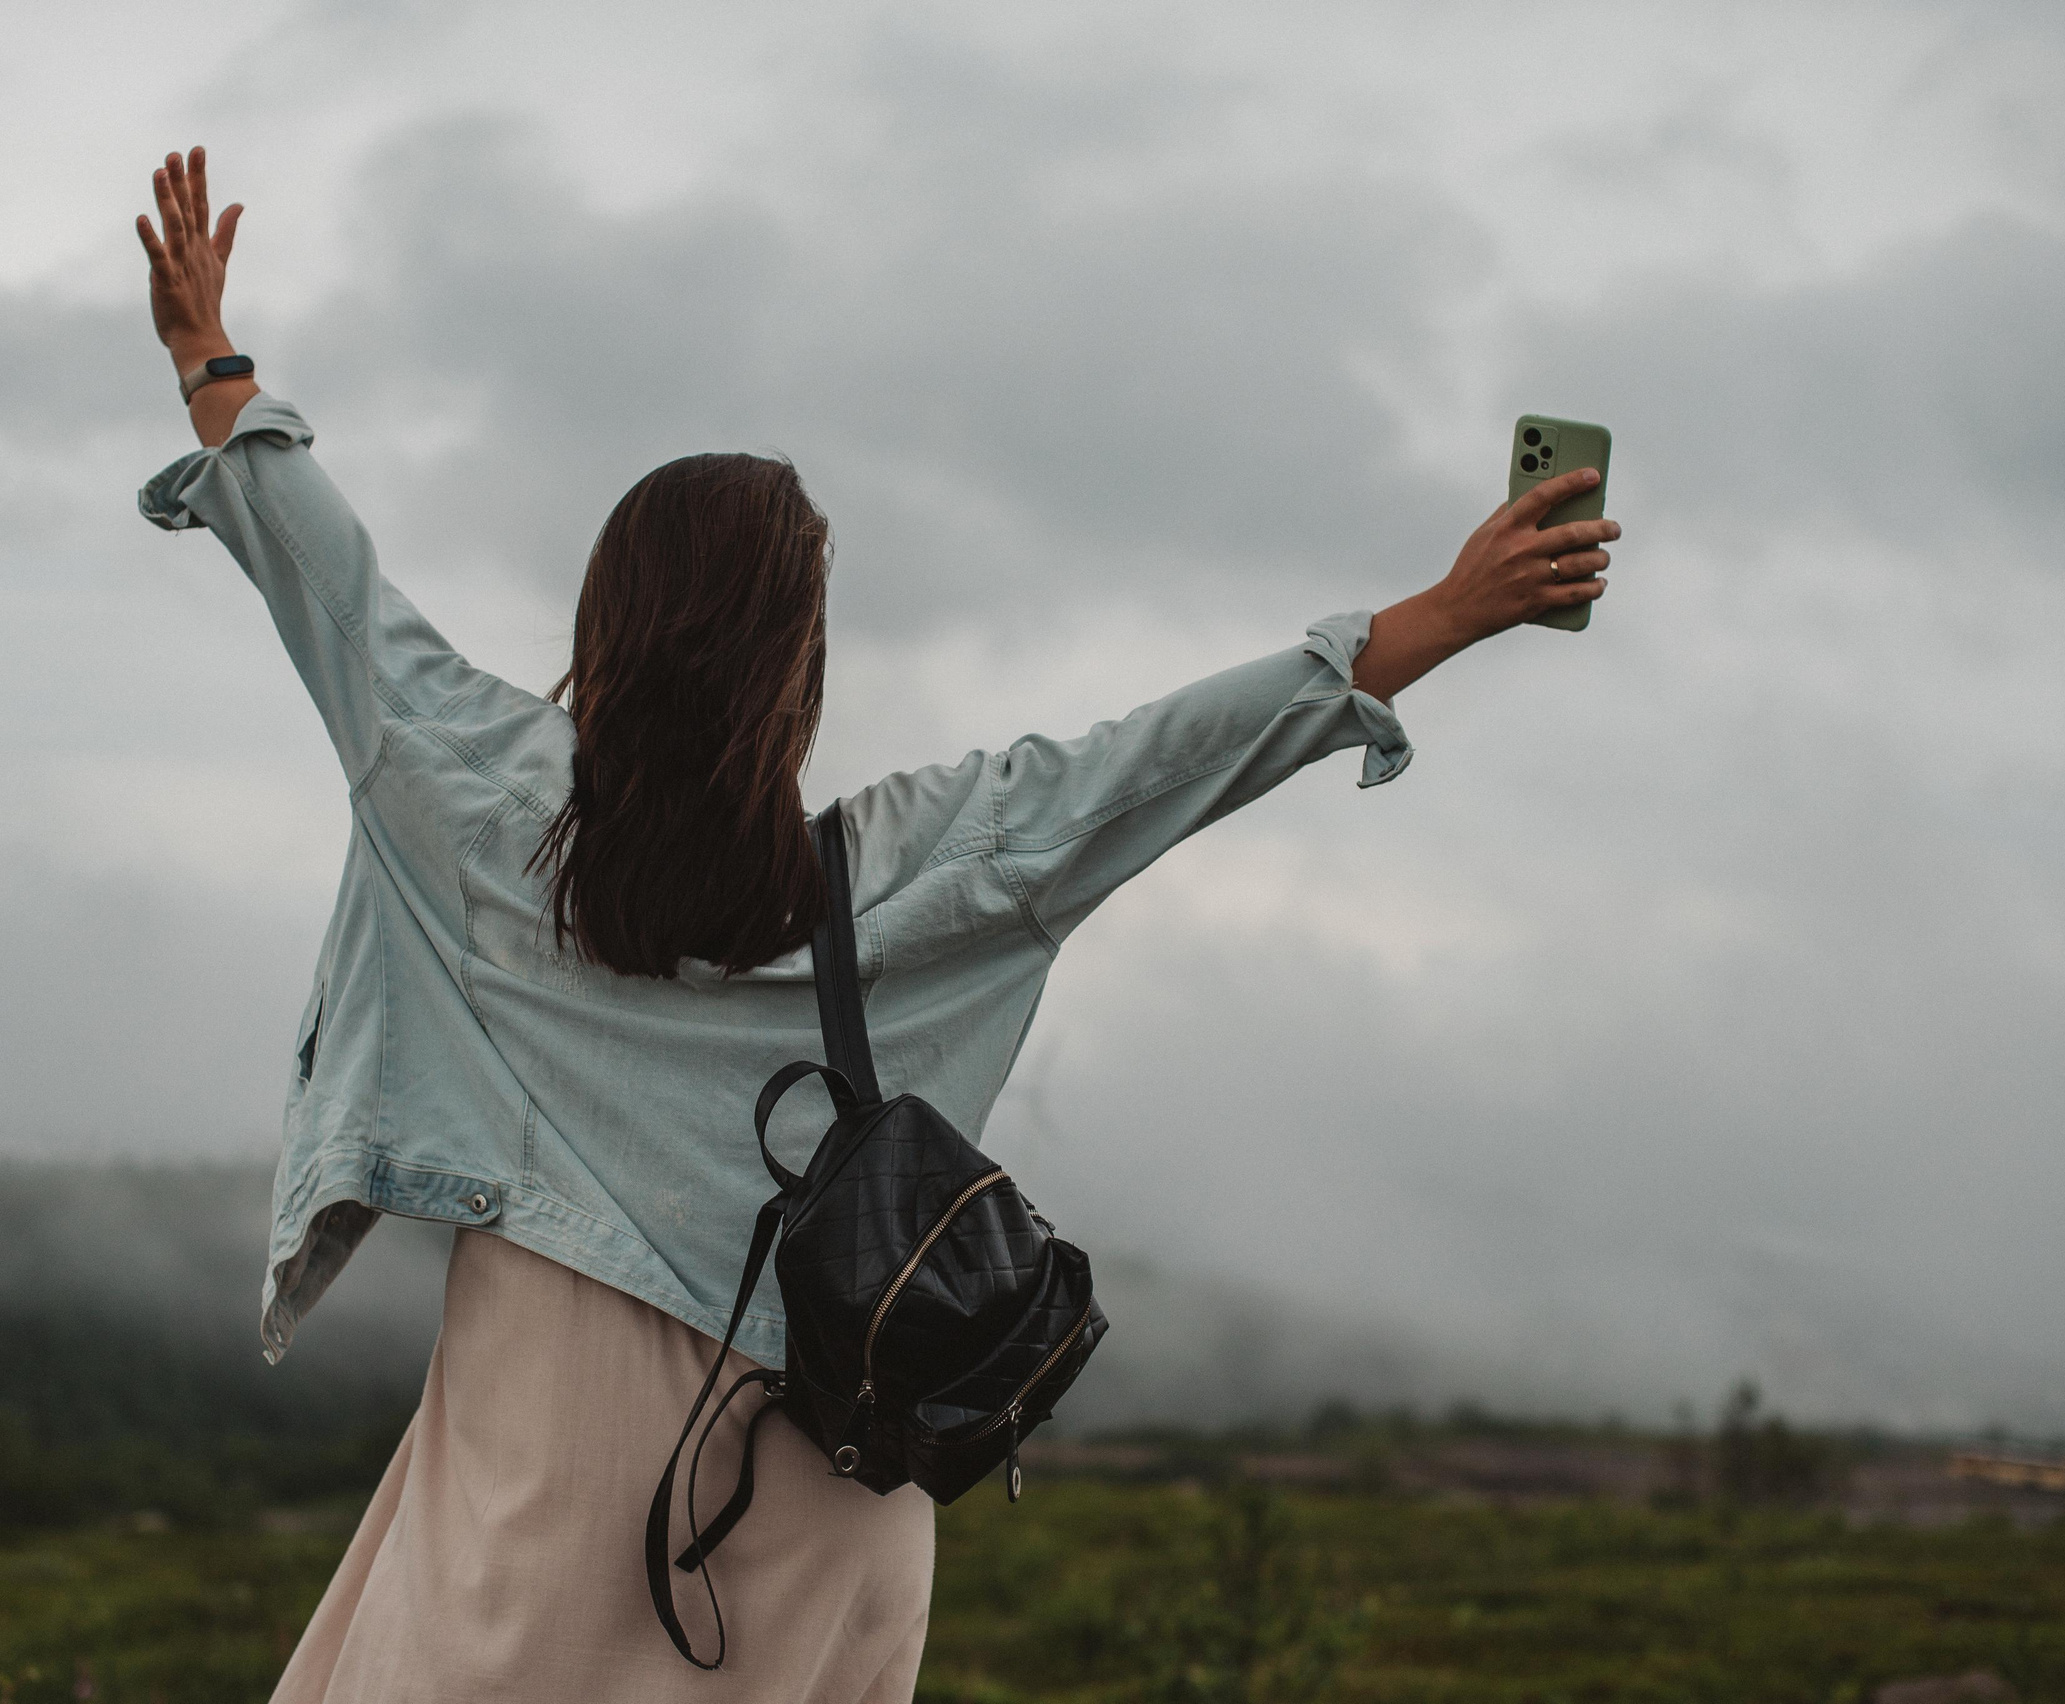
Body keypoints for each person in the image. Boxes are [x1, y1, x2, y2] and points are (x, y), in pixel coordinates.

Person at [133, 145, 1616, 1701]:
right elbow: (1162, 762)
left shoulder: (475, 795)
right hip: (819, 1471)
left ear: (606, 626)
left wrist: (209, 361)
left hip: (544, 1445)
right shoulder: (916, 873)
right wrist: (1446, 613)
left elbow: (326, 577)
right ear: (797, 666)